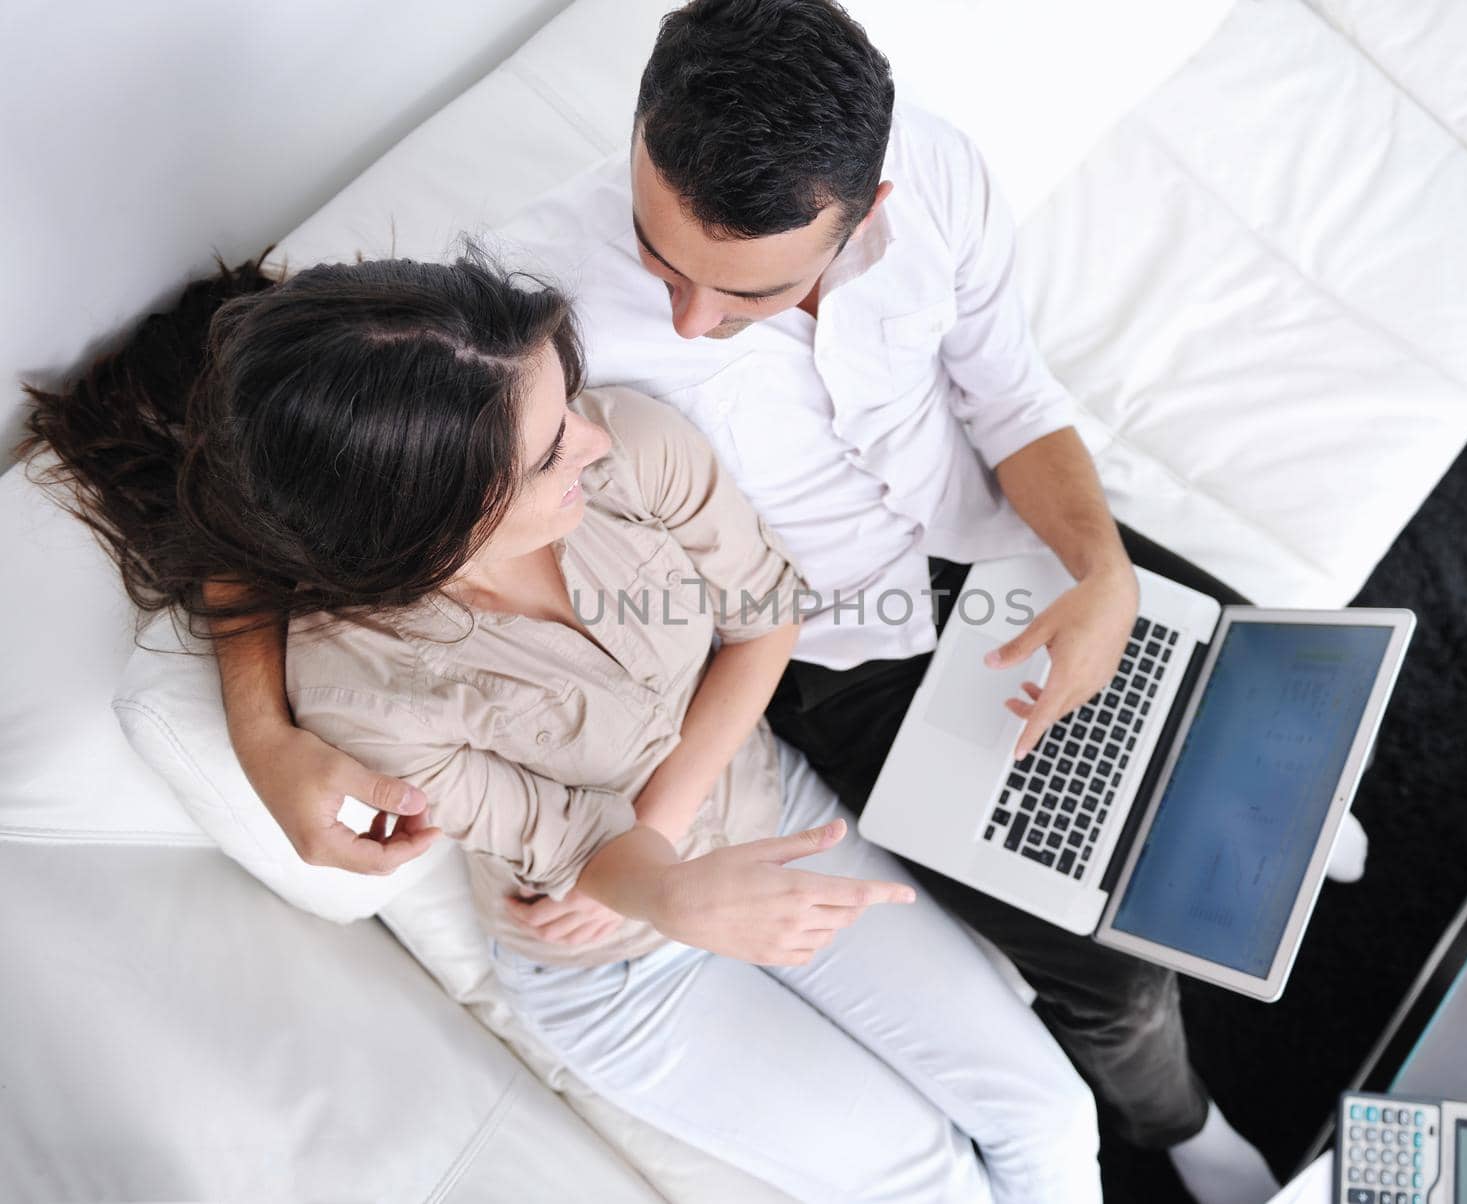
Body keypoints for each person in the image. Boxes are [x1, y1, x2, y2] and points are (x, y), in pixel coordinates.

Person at [215, 2, 1298, 1200]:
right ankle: (1179, 1121)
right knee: (1115, 959)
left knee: (1253, 689)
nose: (684, 320)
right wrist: (268, 735)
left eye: (741, 298)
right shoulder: (527, 316)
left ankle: (1285, 811)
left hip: (987, 530)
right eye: (660, 259)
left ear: (863, 212)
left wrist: (1097, 569)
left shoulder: (930, 175)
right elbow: (283, 476)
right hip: (848, 660)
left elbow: (1008, 391)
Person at [24, 252, 1102, 1203]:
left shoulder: (631, 447)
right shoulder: (361, 693)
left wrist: (672, 846)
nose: (590, 440)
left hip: (766, 815)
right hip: (620, 972)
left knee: (1052, 1117)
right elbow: (576, 850)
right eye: (547, 455)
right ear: (429, 533)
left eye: (568, 398)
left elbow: (764, 615)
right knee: (930, 1182)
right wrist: (663, 889)